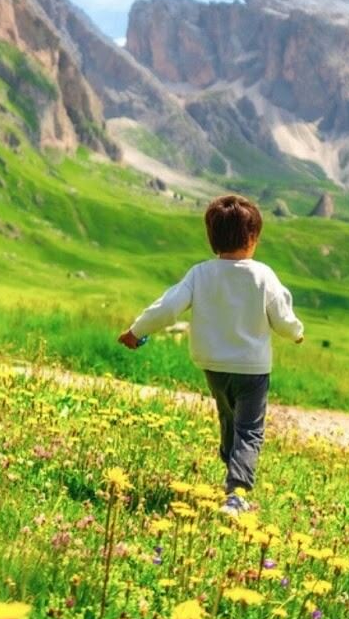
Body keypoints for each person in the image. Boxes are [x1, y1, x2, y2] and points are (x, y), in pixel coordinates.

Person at [119, 195, 305, 515]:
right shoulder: (263, 275)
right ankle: (237, 493)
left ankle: (231, 468)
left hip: (213, 365)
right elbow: (283, 317)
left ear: (212, 238)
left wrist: (136, 331)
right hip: (252, 367)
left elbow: (167, 307)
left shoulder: (200, 273)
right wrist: (297, 333)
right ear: (252, 238)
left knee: (229, 419)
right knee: (249, 429)